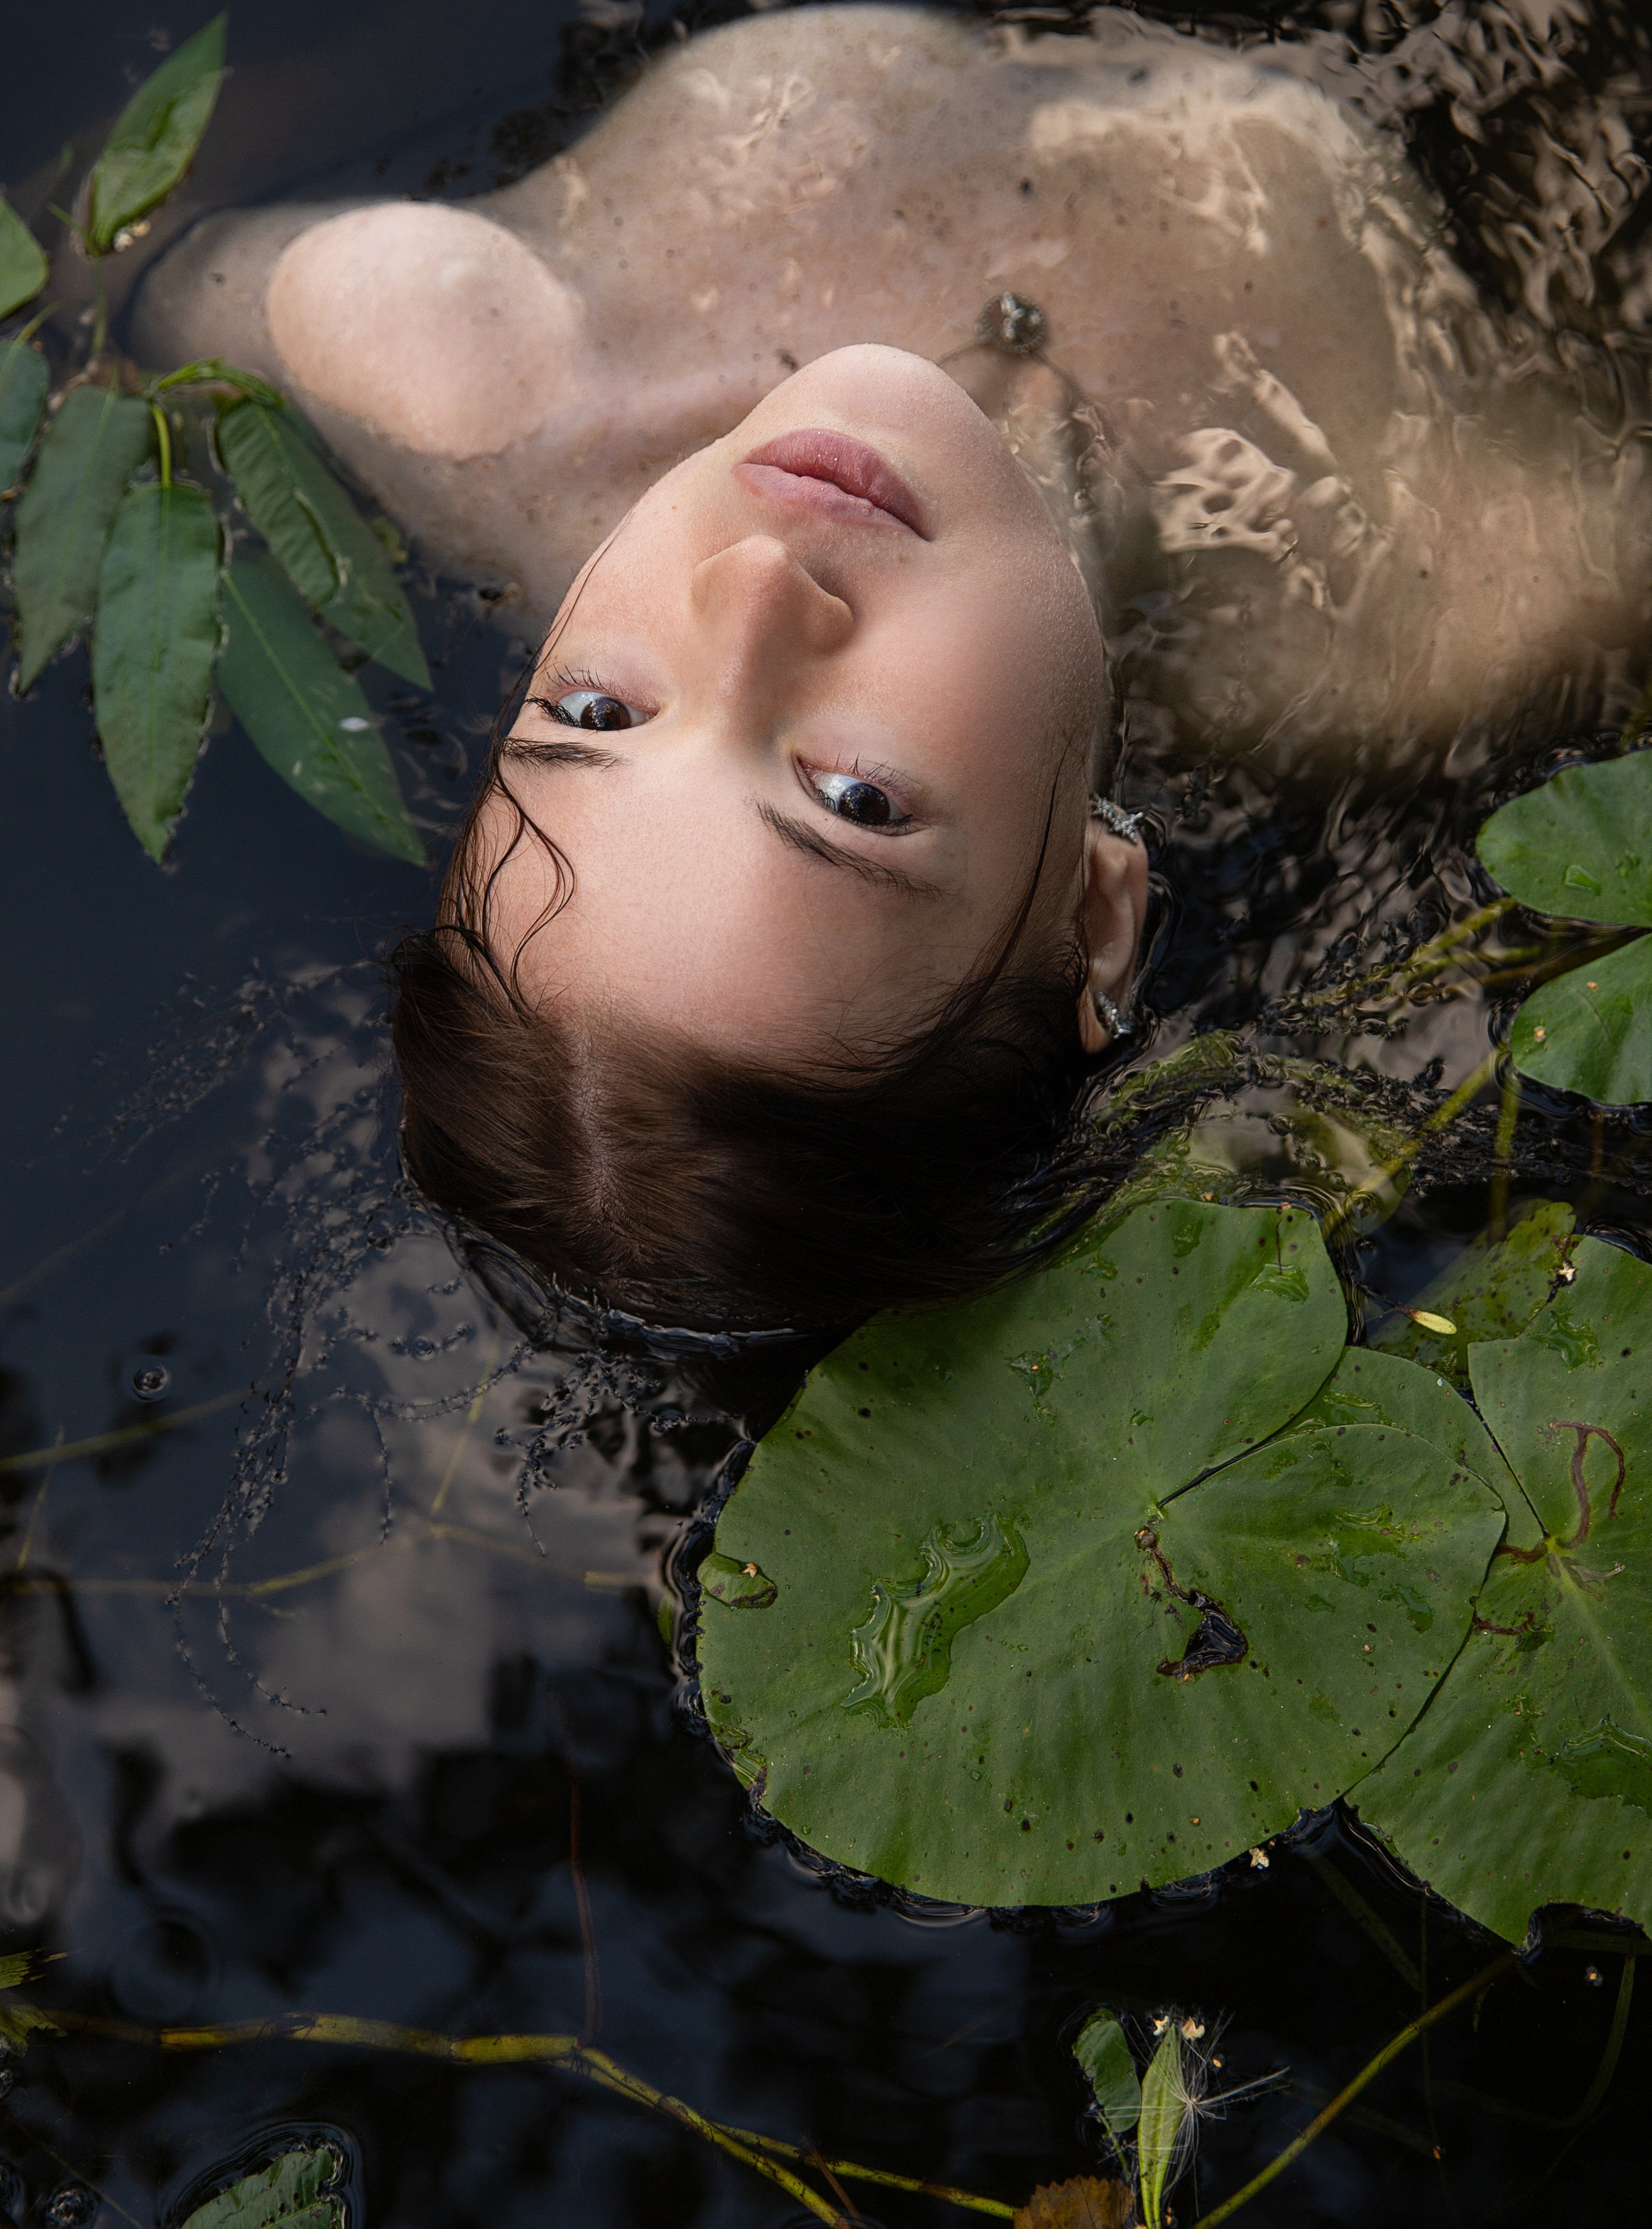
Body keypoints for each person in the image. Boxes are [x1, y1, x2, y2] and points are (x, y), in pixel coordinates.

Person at [131, 4, 1652, 1330]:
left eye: (593, 711)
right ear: (1093, 910)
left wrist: (315, 272)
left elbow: (130, 271)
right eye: (850, 796)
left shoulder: (480, 381)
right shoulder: (1422, 592)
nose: (747, 598)